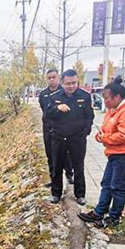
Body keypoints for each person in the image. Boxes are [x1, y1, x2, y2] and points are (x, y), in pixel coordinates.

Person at [78, 77, 125, 228]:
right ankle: (99, 212)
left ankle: (114, 217)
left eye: (107, 98)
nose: (105, 102)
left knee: (117, 187)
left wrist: (105, 138)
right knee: (106, 184)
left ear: (117, 97)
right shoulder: (113, 110)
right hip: (115, 153)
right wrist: (100, 136)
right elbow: (104, 129)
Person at [47, 69, 94, 205]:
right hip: (59, 137)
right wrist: (57, 108)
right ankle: (56, 193)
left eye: (74, 83)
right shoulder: (55, 97)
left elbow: (89, 117)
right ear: (62, 83)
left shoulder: (84, 96)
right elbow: (48, 114)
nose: (71, 86)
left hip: (77, 138)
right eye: (68, 83)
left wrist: (85, 133)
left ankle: (80, 194)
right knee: (57, 167)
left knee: (78, 167)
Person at [38, 69, 74, 187]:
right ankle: (53, 179)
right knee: (50, 154)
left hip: (62, 128)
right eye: (49, 78)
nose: (52, 80)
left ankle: (69, 174)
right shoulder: (43, 94)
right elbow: (45, 111)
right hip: (48, 128)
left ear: (58, 78)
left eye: (54, 77)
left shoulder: (64, 92)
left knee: (65, 154)